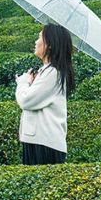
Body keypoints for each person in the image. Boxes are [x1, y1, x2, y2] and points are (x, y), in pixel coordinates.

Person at [15, 23, 75, 164]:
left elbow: (26, 101)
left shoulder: (53, 73)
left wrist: (23, 82)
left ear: (50, 45)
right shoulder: (48, 71)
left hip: (44, 143)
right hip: (39, 140)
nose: (36, 42)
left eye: (39, 37)